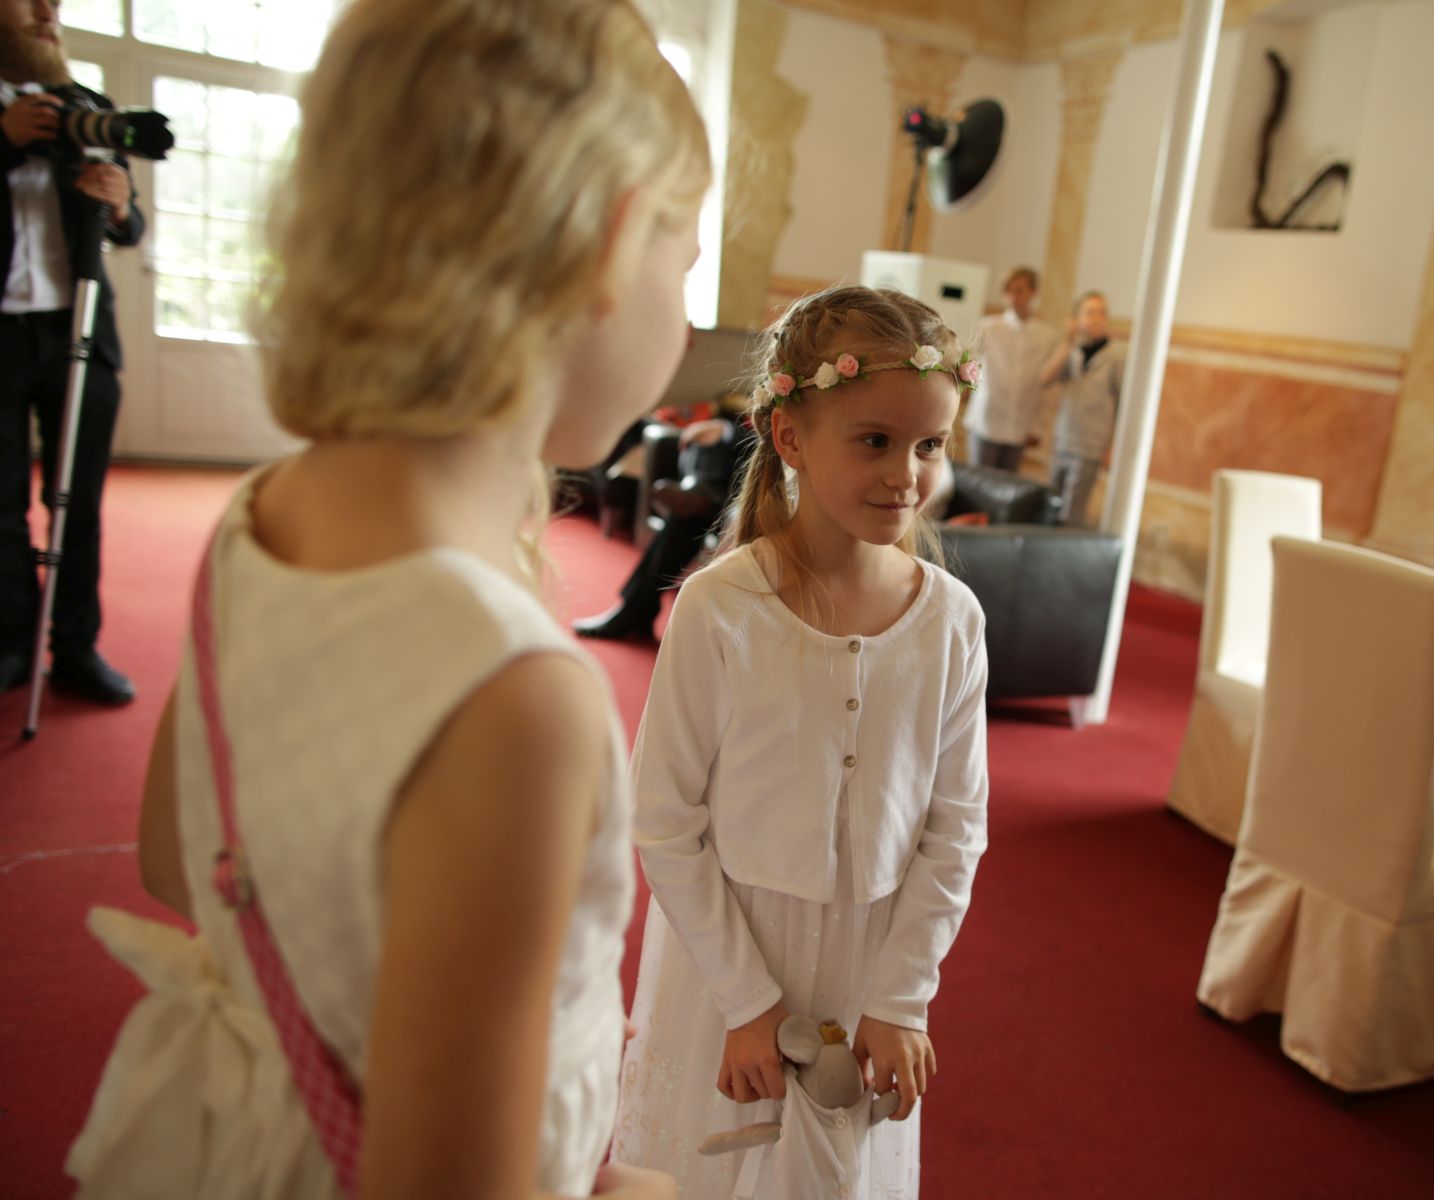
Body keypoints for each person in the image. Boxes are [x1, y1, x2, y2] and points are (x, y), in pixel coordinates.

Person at [64, 2, 699, 1197]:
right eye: (689, 258)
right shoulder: (515, 700)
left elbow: (176, 857)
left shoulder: (265, 513)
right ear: (610, 246)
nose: (687, 303)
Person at [613, 285, 991, 1199]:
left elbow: (955, 828)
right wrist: (748, 1001)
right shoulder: (720, 607)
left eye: (930, 445)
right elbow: (663, 818)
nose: (907, 474)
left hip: (869, 972)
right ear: (790, 437)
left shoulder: (952, 622)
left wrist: (901, 995)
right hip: (730, 965)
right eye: (876, 440)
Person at [0, 0, 146, 704]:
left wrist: (119, 205)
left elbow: (131, 227)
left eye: (56, 2)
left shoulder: (87, 108)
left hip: (80, 331)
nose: (48, 11)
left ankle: (76, 648)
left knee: (78, 503)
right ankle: (11, 644)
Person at [574, 403, 753, 642]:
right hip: (727, 487)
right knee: (689, 508)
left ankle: (636, 611)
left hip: (749, 491)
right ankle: (700, 492)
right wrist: (722, 428)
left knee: (687, 514)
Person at [960, 265, 1060, 473]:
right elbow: (968, 365)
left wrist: (1038, 427)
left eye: (1019, 290)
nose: (1013, 296)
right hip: (985, 421)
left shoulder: (1047, 337)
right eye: (1009, 290)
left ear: (1033, 292)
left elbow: (1047, 387)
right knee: (979, 480)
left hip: (1020, 424)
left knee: (1008, 484)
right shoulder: (987, 327)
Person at [1042, 289, 1127, 527]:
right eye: (1090, 313)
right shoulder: (1072, 352)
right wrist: (1067, 342)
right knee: (1050, 506)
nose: (1097, 319)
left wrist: (1113, 447)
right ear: (1078, 318)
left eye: (1102, 313)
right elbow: (1045, 378)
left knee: (1073, 512)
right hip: (1063, 440)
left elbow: (1123, 404)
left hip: (1090, 446)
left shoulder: (1116, 356)